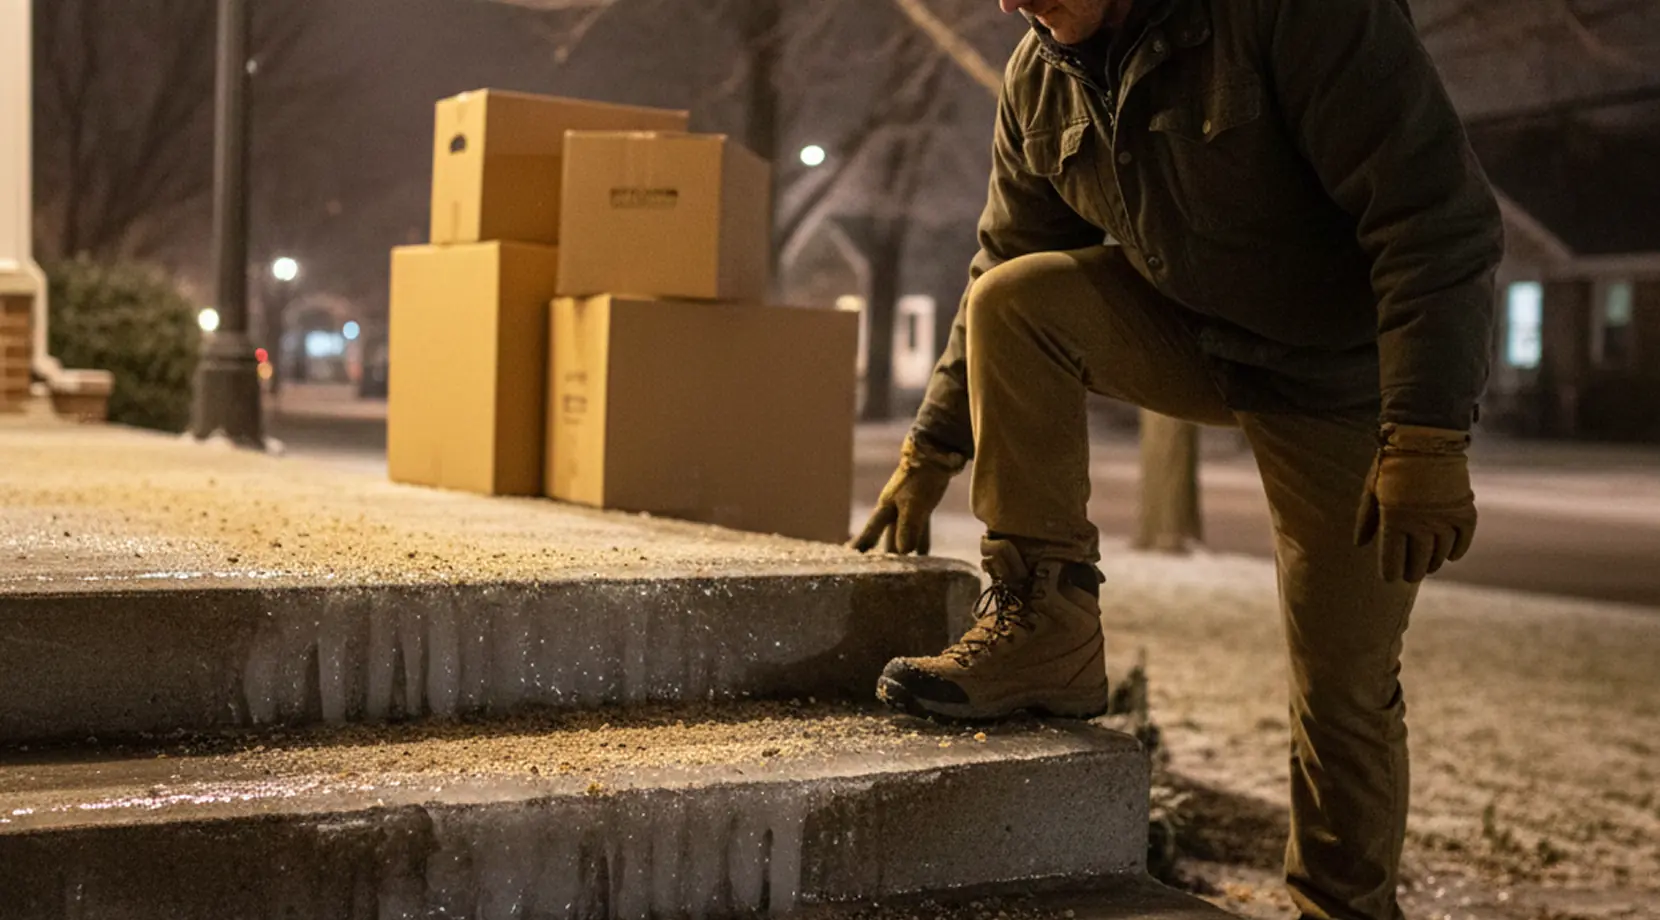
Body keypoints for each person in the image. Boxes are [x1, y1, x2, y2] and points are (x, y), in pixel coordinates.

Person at [852, 0, 1504, 917]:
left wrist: (1428, 435)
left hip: (1342, 379)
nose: (1011, 5)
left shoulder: (1294, 16)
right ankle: (1049, 626)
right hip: (1200, 336)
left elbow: (1436, 224)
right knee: (1015, 299)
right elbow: (1003, 253)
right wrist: (932, 445)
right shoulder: (1041, 78)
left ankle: (1341, 906)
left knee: (1342, 684)